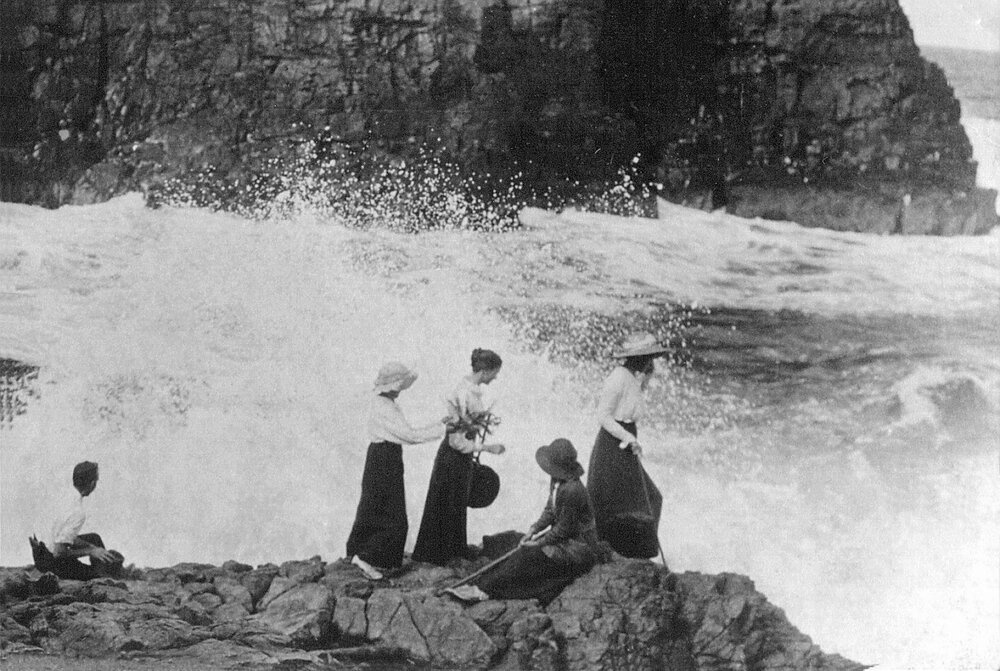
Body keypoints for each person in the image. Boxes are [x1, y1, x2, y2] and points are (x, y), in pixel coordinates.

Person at [445, 438, 603, 606]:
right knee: (512, 542)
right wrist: (533, 530)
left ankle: (483, 590)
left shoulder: (573, 490)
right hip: (562, 539)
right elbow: (550, 510)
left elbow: (564, 530)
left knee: (528, 556)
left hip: (577, 547)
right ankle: (482, 583)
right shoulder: (557, 481)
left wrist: (538, 544)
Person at [346, 362, 444, 580]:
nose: (401, 389)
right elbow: (409, 436)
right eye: (399, 385)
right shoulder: (384, 406)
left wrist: (439, 424)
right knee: (392, 515)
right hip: (384, 458)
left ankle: (361, 553)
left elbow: (406, 433)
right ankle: (366, 558)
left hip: (383, 457)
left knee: (374, 507)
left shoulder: (384, 402)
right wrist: (442, 428)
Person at [412, 348, 506, 565]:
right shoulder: (464, 394)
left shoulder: (467, 389)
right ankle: (442, 554)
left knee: (453, 502)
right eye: (494, 373)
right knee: (449, 502)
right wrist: (488, 448)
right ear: (484, 371)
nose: (495, 377)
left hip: (456, 457)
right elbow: (457, 441)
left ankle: (451, 550)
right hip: (453, 457)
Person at [587, 332, 668, 559]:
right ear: (639, 358)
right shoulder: (618, 377)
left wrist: (644, 380)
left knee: (638, 499)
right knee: (636, 498)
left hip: (624, 442)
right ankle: (619, 551)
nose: (652, 362)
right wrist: (629, 438)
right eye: (649, 357)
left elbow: (631, 411)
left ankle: (632, 552)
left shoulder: (633, 378)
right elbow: (603, 416)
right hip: (612, 445)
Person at [30, 461, 124, 580]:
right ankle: (103, 573)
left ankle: (103, 567)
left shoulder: (62, 495)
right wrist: (90, 551)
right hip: (50, 562)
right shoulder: (77, 512)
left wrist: (91, 546)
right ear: (92, 483)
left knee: (94, 539)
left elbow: (60, 535)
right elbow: (59, 552)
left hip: (39, 551)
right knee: (94, 575)